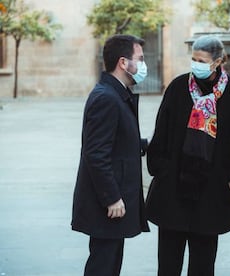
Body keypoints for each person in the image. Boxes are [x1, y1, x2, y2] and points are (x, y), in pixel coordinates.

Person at [145, 35, 230, 276]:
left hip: (212, 191)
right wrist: (160, 169)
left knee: (203, 266)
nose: (196, 65)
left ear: (218, 62)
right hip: (174, 187)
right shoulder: (178, 87)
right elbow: (160, 132)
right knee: (168, 265)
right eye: (193, 59)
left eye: (201, 60)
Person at [71, 34, 149, 276]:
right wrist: (112, 197)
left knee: (111, 263)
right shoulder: (106, 98)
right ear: (124, 63)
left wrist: (148, 144)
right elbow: (95, 154)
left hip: (115, 201)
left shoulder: (115, 94)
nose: (143, 65)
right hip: (108, 203)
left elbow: (117, 141)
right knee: (103, 266)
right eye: (140, 59)